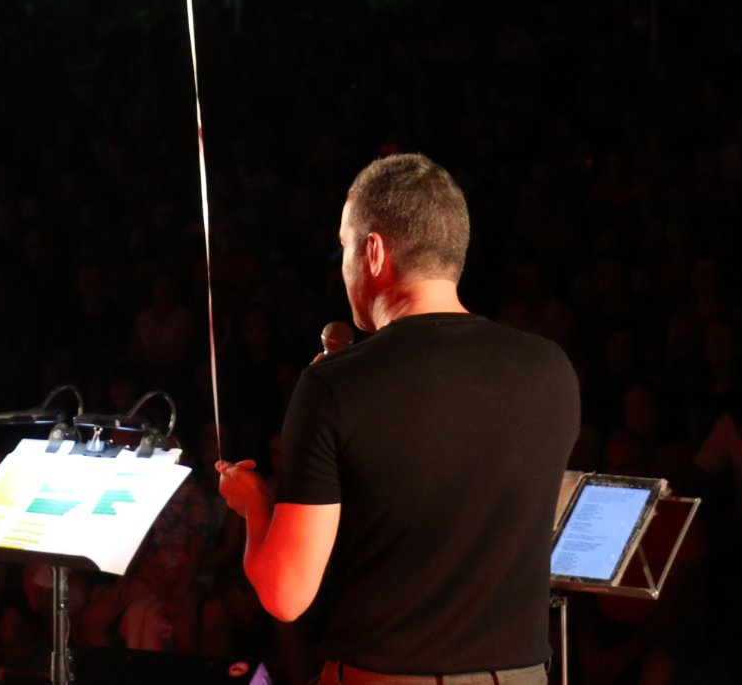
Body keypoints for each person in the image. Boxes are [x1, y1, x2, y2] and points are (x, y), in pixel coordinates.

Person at [216, 153, 580, 684]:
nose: (341, 264)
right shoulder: (551, 369)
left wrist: (254, 502)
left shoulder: (335, 385)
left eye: (343, 246)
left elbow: (285, 594)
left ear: (373, 252)